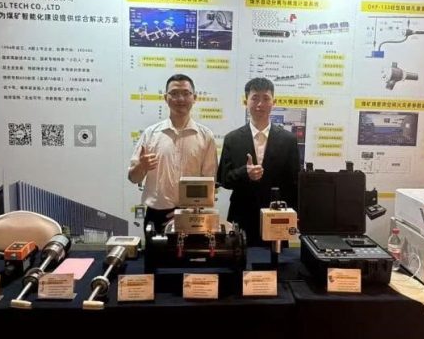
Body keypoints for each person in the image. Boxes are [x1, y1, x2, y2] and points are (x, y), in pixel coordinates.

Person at [128, 74, 217, 232]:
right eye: (174, 93)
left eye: (186, 93)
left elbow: (210, 181)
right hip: (157, 215)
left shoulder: (205, 136)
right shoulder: (151, 134)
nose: (180, 99)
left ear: (194, 98)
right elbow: (133, 178)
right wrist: (141, 166)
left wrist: (186, 212)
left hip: (192, 215)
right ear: (165, 98)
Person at [217, 77, 300, 244]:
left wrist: (296, 214)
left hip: (278, 217)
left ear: (274, 102)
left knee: (277, 259)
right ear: (246, 101)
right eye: (255, 98)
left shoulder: (288, 140)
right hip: (242, 216)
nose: (260, 104)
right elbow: (223, 179)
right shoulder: (232, 139)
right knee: (240, 258)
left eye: (266, 98)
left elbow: (294, 183)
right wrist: (244, 173)